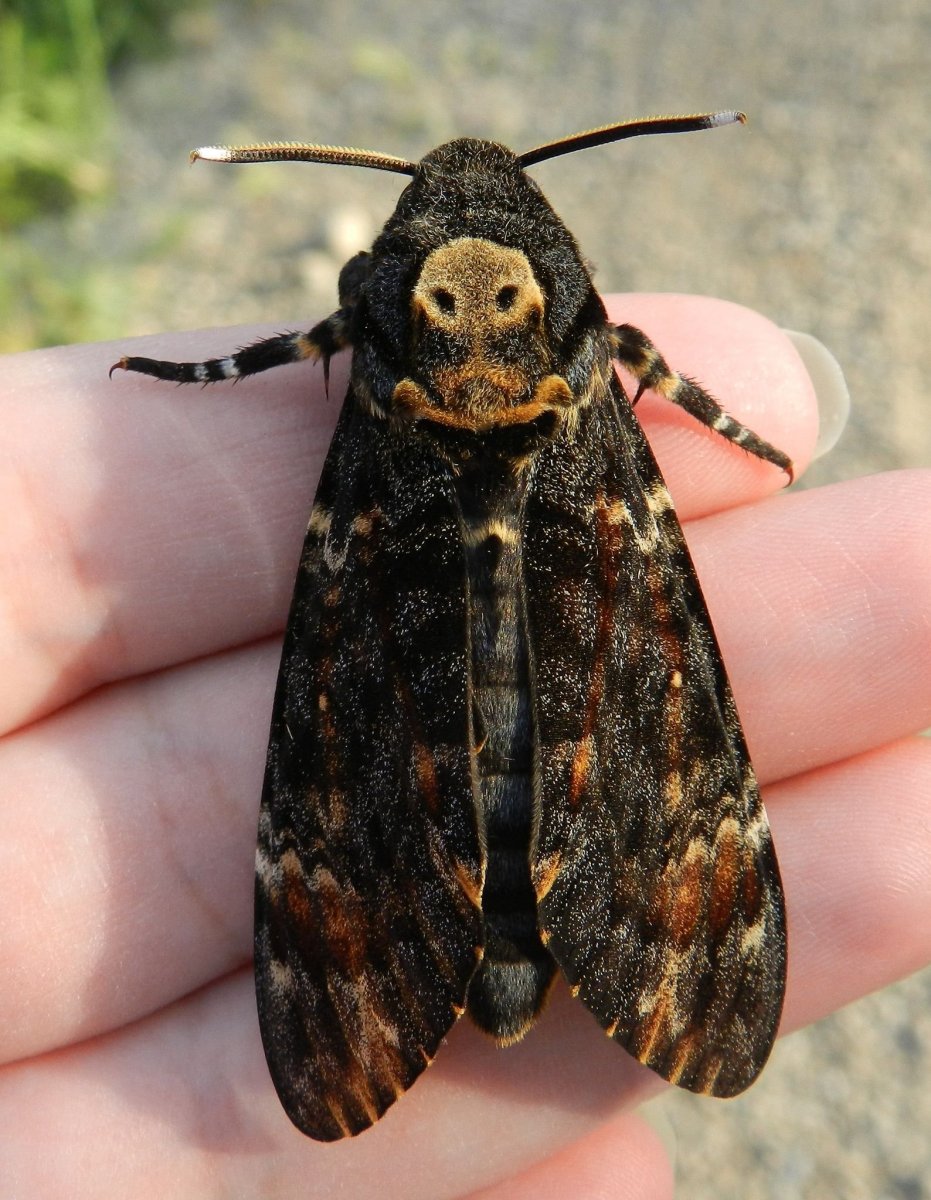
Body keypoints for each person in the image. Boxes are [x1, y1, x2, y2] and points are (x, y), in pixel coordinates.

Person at [1, 294, 928, 1197]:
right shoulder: (591, 342)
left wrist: (210, 376)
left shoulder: (384, 336)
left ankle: (443, 956)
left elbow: (302, 346)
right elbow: (645, 362)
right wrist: (731, 431)